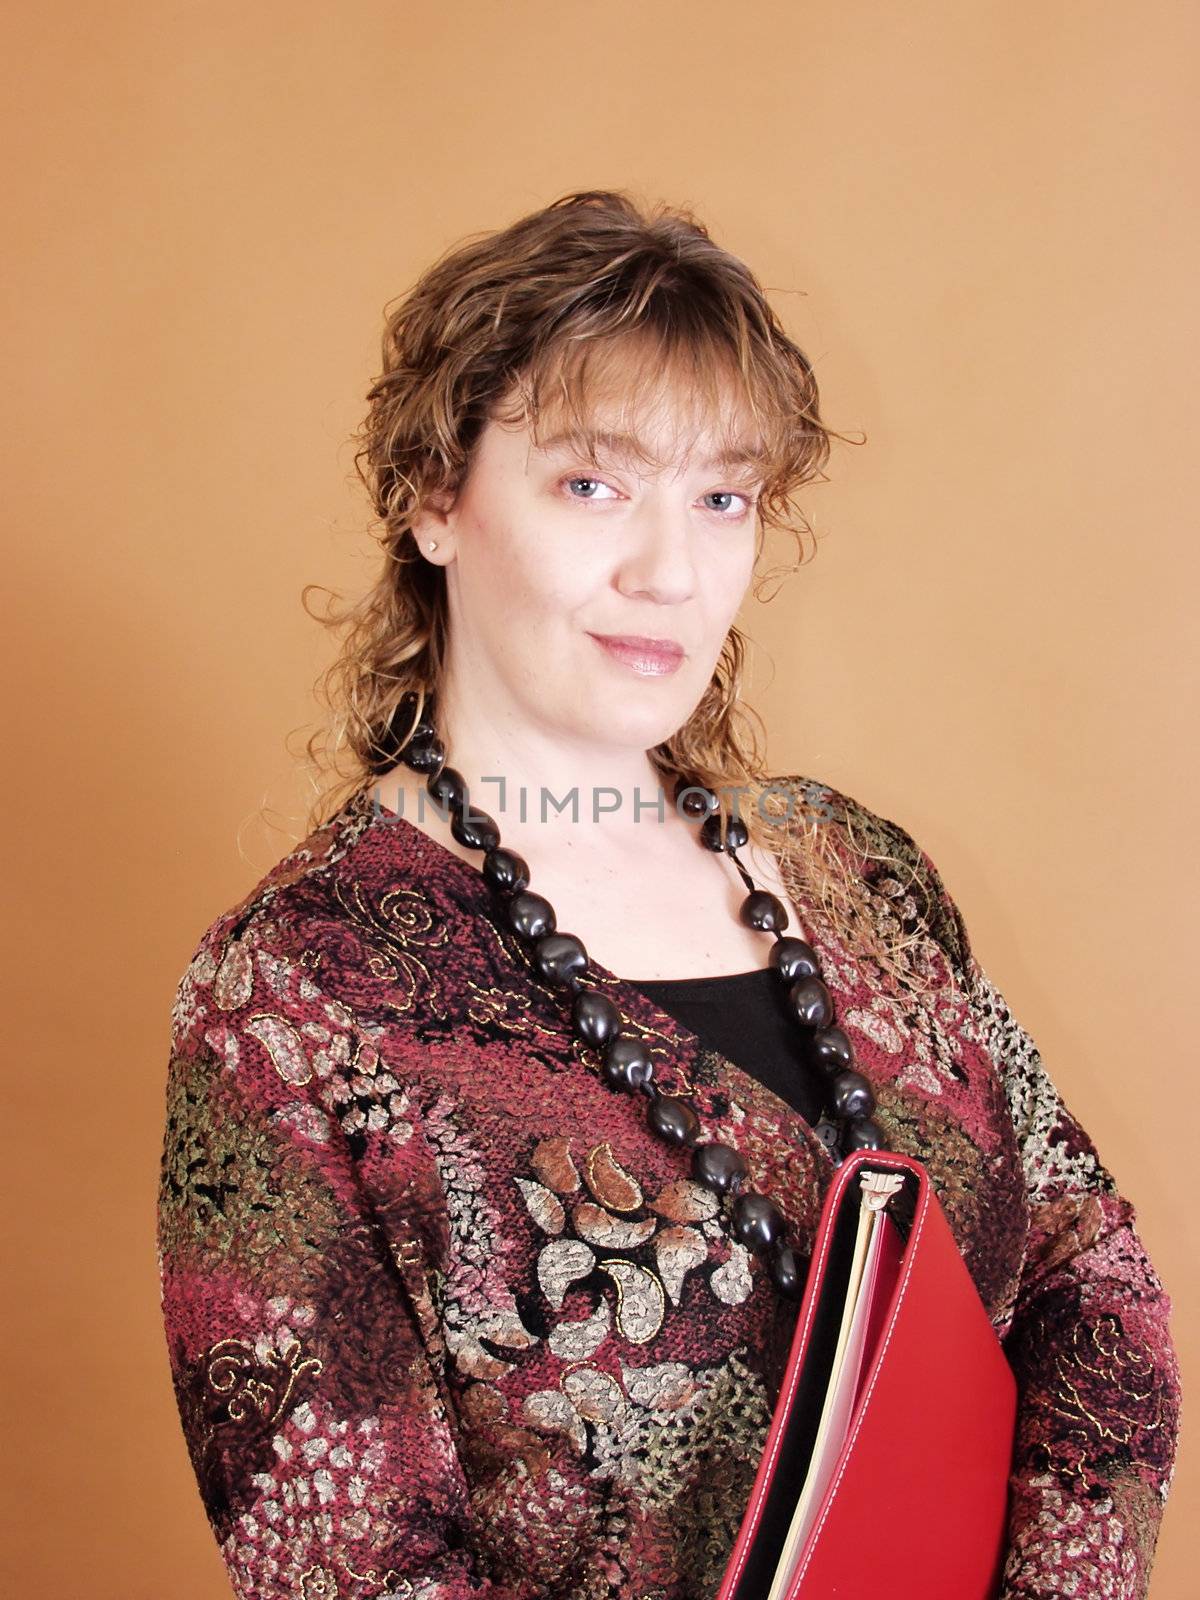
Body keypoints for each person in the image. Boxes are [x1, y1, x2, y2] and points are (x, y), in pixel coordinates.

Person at [156, 189, 1180, 1600]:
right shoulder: (293, 991)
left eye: (723, 497)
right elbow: (349, 1557)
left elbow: (1092, 1279)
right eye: (594, 484)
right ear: (433, 498)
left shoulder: (859, 875)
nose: (670, 569)